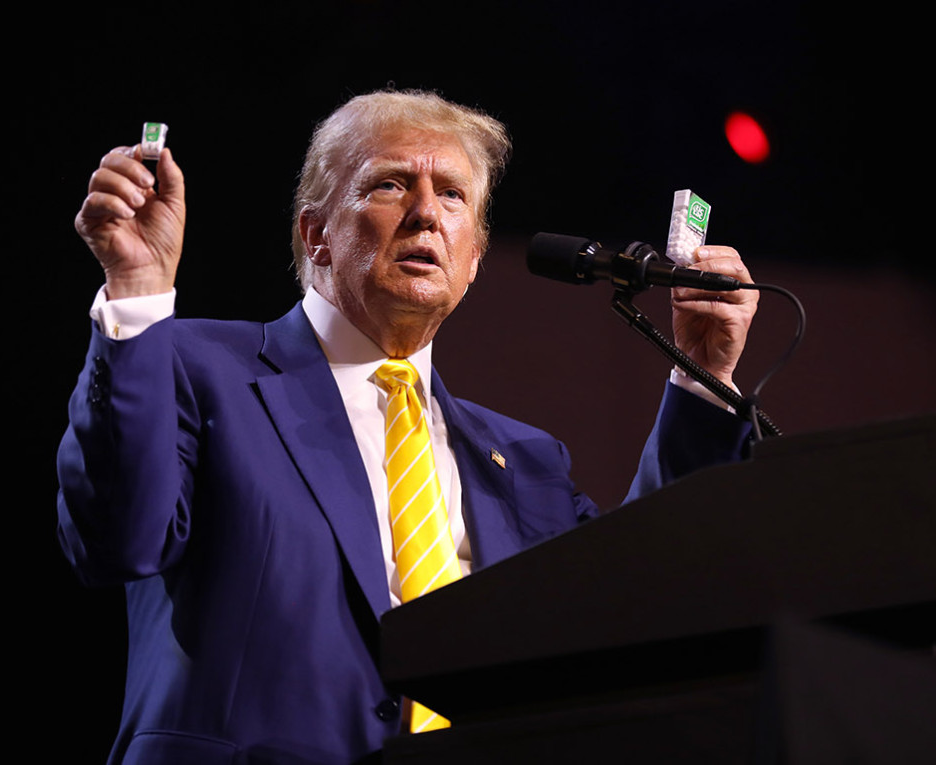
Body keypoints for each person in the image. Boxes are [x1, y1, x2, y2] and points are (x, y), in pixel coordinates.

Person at [57, 89, 759, 765]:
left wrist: (701, 376)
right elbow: (118, 538)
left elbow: (637, 600)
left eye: (453, 194)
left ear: (474, 261)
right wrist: (139, 293)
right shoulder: (193, 367)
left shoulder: (526, 462)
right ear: (317, 234)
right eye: (391, 185)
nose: (427, 213)